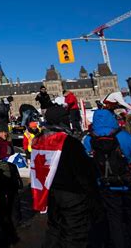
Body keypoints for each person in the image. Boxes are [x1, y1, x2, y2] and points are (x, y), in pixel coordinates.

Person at [31, 106, 100, 248]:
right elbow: (83, 172)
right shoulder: (68, 141)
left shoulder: (38, 140)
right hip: (72, 195)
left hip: (50, 194)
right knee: (76, 235)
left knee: (54, 230)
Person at [83, 109, 131, 248]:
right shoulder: (124, 136)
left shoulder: (89, 139)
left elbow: (86, 164)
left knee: (114, 220)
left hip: (107, 186)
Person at [0, 122, 21, 247]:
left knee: (13, 201)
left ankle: (14, 224)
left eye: (5, 131)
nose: (4, 134)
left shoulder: (9, 144)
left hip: (11, 175)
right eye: (2, 132)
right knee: (1, 202)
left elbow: (12, 158)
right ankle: (2, 226)